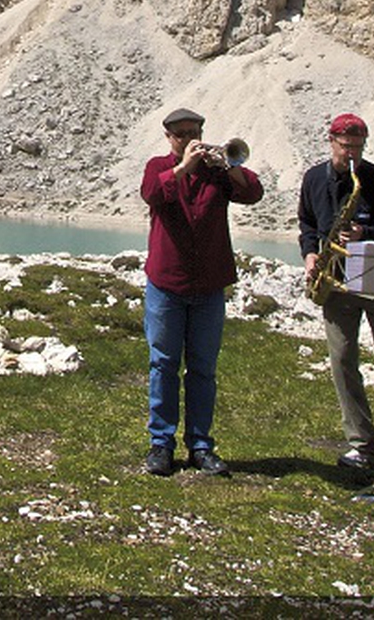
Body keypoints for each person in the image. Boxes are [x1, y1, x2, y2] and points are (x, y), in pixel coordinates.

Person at [141, 106, 264, 477]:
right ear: (168, 138)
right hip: (167, 282)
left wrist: (229, 165)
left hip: (209, 283)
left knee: (203, 369)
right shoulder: (157, 167)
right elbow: (152, 194)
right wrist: (183, 168)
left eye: (192, 132)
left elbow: (253, 192)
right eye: (179, 134)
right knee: (163, 364)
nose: (187, 139)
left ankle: (200, 445)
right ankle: (161, 444)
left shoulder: (216, 172)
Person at [296, 112, 374, 473]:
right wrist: (310, 254)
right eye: (346, 147)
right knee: (343, 359)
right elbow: (306, 223)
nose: (352, 155)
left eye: (358, 148)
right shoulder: (314, 178)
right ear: (331, 141)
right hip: (335, 277)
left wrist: (368, 235)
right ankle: (362, 443)